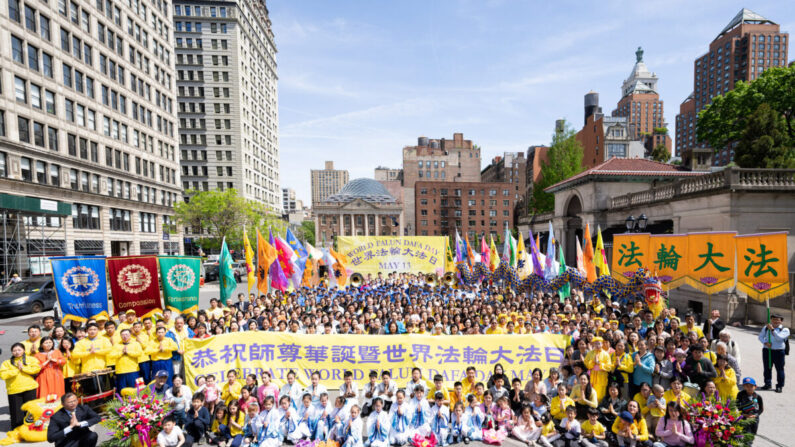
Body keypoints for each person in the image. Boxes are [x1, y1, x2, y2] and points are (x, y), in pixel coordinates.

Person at [1, 342, 42, 427]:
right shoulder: (6, 363)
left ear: (24, 350)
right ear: (12, 352)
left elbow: (36, 369)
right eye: (14, 350)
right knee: (16, 411)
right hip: (14, 390)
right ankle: (17, 429)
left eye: (19, 350)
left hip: (29, 388)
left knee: (30, 410)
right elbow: (3, 375)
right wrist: (17, 370)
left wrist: (23, 368)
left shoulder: (31, 359)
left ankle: (31, 428)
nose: (17, 352)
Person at [758, 313, 789, 393]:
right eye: (774, 319)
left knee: (779, 369)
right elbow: (760, 336)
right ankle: (767, 383)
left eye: (778, 320)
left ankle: (779, 386)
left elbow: (779, 338)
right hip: (767, 350)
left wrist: (772, 329)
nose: (775, 321)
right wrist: (765, 342)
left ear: (781, 321)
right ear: (771, 320)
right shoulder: (766, 328)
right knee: (767, 368)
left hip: (779, 351)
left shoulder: (785, 330)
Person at [735, 377, 763, 444]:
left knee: (752, 434)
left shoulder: (758, 397)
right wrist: (743, 414)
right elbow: (737, 405)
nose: (749, 388)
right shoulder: (740, 395)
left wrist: (755, 415)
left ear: (755, 386)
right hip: (745, 418)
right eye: (747, 386)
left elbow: (761, 409)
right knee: (746, 434)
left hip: (754, 419)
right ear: (743, 386)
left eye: (751, 386)